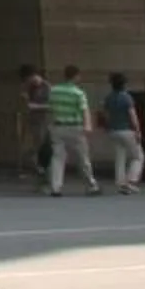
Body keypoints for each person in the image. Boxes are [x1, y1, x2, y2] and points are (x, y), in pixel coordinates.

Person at [44, 65, 99, 196]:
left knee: (57, 157)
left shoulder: (54, 91)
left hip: (58, 127)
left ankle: (56, 187)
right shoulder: (78, 92)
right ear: (76, 76)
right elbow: (84, 110)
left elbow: (50, 109)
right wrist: (88, 125)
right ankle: (91, 184)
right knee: (82, 157)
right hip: (75, 127)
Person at [98, 72, 144, 194]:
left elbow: (105, 114)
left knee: (120, 157)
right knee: (138, 156)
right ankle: (131, 180)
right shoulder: (126, 97)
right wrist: (138, 131)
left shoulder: (109, 97)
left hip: (113, 130)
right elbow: (132, 116)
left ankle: (120, 183)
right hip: (127, 130)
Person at [18, 65, 52, 189]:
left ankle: (46, 174)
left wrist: (35, 106)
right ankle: (41, 173)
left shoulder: (46, 87)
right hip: (33, 122)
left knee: (42, 148)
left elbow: (51, 106)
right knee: (34, 148)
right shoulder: (29, 88)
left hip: (44, 122)